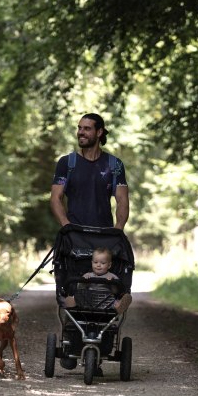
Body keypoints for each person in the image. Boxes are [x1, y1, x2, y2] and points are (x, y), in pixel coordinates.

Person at [50, 112, 132, 312]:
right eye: (79, 128)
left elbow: (122, 199)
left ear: (99, 132)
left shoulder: (114, 165)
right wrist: (65, 225)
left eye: (86, 128)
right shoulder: (67, 163)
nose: (81, 132)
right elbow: (55, 197)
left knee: (106, 283)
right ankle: (69, 313)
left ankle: (116, 305)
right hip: (74, 236)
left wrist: (118, 229)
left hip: (104, 237)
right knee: (72, 282)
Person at [65, 247, 128, 314]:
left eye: (103, 263)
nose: (98, 265)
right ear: (92, 263)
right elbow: (81, 288)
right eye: (95, 262)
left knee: (115, 301)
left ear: (109, 265)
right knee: (79, 296)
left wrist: (112, 283)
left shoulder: (112, 276)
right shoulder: (88, 275)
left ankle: (119, 306)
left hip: (106, 301)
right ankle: (73, 302)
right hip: (89, 300)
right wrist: (83, 281)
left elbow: (115, 292)